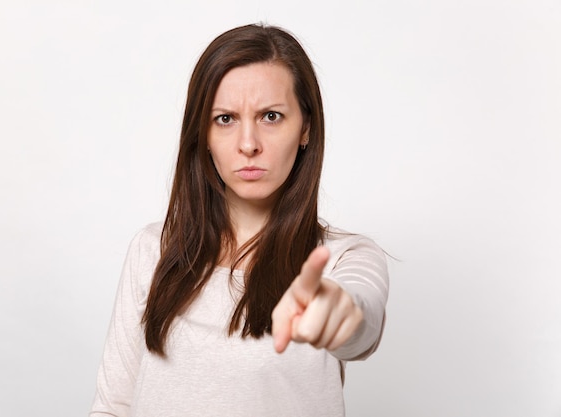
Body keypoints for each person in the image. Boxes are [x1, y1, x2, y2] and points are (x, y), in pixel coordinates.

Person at [90, 23, 389, 417]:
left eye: (271, 116)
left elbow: (359, 320)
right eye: (225, 119)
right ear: (203, 134)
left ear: (306, 129)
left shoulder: (343, 258)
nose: (248, 144)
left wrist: (341, 314)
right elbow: (114, 406)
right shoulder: (153, 250)